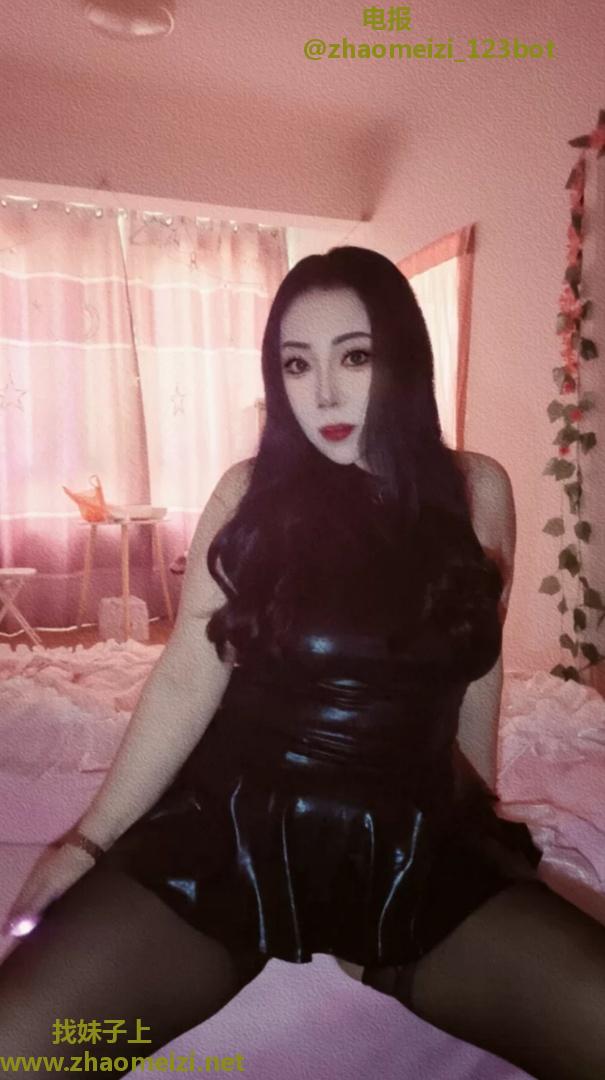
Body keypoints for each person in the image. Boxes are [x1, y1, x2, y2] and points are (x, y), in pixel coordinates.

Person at [1, 246, 604, 1080]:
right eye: (296, 364)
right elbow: (186, 677)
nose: (321, 394)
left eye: (352, 357)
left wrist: (482, 820)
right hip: (232, 832)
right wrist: (86, 842)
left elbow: (475, 668)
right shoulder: (248, 494)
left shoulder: (478, 489)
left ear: (403, 360)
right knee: (21, 1053)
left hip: (410, 838)